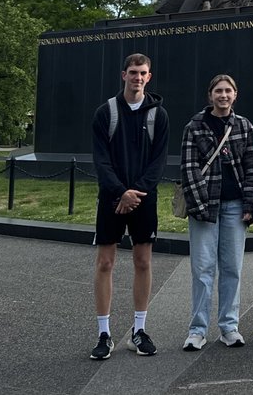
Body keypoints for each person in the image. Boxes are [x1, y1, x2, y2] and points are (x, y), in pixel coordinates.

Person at [89, 53, 170, 359]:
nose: (138, 77)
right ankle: (104, 333)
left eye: (143, 73)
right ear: (123, 75)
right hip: (112, 197)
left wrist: (136, 192)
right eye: (133, 72)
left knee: (143, 262)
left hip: (143, 198)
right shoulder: (105, 113)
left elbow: (158, 161)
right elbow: (101, 160)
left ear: (149, 77)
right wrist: (121, 192)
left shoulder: (158, 115)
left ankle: (139, 329)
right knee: (105, 263)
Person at [180, 74, 253, 351]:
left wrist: (251, 204)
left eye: (228, 91)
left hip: (235, 207)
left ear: (235, 95)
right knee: (202, 270)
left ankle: (229, 326)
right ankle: (197, 329)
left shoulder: (244, 126)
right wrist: (201, 208)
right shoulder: (194, 126)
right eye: (218, 91)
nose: (223, 95)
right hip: (205, 207)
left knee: (232, 269)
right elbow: (189, 169)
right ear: (210, 95)